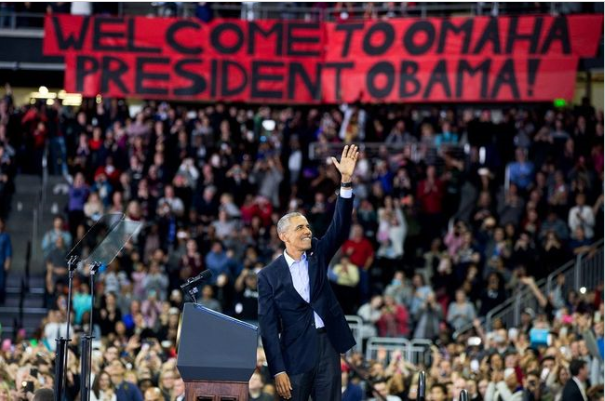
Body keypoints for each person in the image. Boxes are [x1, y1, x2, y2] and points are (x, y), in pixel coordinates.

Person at [258, 144, 359, 401]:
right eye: (300, 228)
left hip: (327, 346)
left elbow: (340, 228)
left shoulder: (318, 254)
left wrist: (345, 182)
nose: (307, 231)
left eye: (307, 226)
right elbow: (268, 327)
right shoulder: (268, 276)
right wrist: (277, 369)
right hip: (294, 353)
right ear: (283, 236)